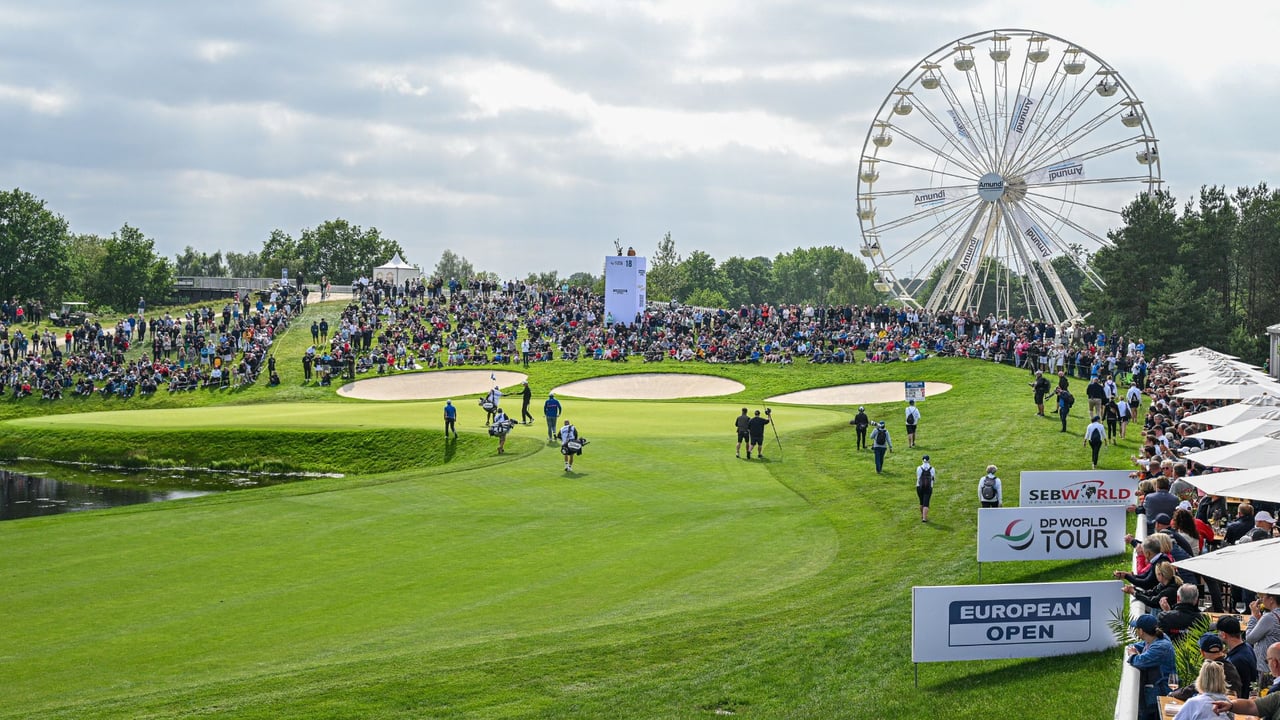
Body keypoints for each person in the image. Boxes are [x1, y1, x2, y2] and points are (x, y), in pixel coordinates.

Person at [1170, 632, 1245, 702]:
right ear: (1222, 650)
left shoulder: (1213, 668)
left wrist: (1171, 695)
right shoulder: (1229, 666)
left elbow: (1192, 689)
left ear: (1202, 652)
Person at [1127, 613, 1175, 720]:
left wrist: (1132, 654)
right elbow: (1137, 646)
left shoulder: (1161, 647)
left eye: (1136, 628)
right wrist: (1132, 649)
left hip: (1161, 695)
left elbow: (1139, 661)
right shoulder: (1154, 639)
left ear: (1141, 631)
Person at [1211, 644, 1280, 719]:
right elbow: (1251, 705)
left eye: (1267, 661)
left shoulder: (1277, 691)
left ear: (1274, 663)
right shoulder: (1277, 697)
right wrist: (1230, 705)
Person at [1216, 614, 1258, 696]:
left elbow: (1235, 690)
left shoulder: (1236, 660)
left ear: (1224, 635)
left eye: (1218, 632)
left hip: (1238, 704)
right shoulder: (1247, 647)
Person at [1246, 592, 1280, 687]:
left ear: (1271, 599)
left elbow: (1250, 639)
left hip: (1268, 668)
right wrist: (1258, 617)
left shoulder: (1270, 617)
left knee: (1266, 698)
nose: (1260, 600)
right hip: (1277, 664)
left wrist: (1253, 616)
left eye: (1262, 597)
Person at [916, 454, 935, 523]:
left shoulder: (919, 468)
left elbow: (918, 477)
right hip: (928, 487)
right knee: (926, 503)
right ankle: (924, 518)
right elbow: (933, 478)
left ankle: (922, 515)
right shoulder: (932, 469)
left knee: (921, 502)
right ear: (929, 460)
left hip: (919, 487)